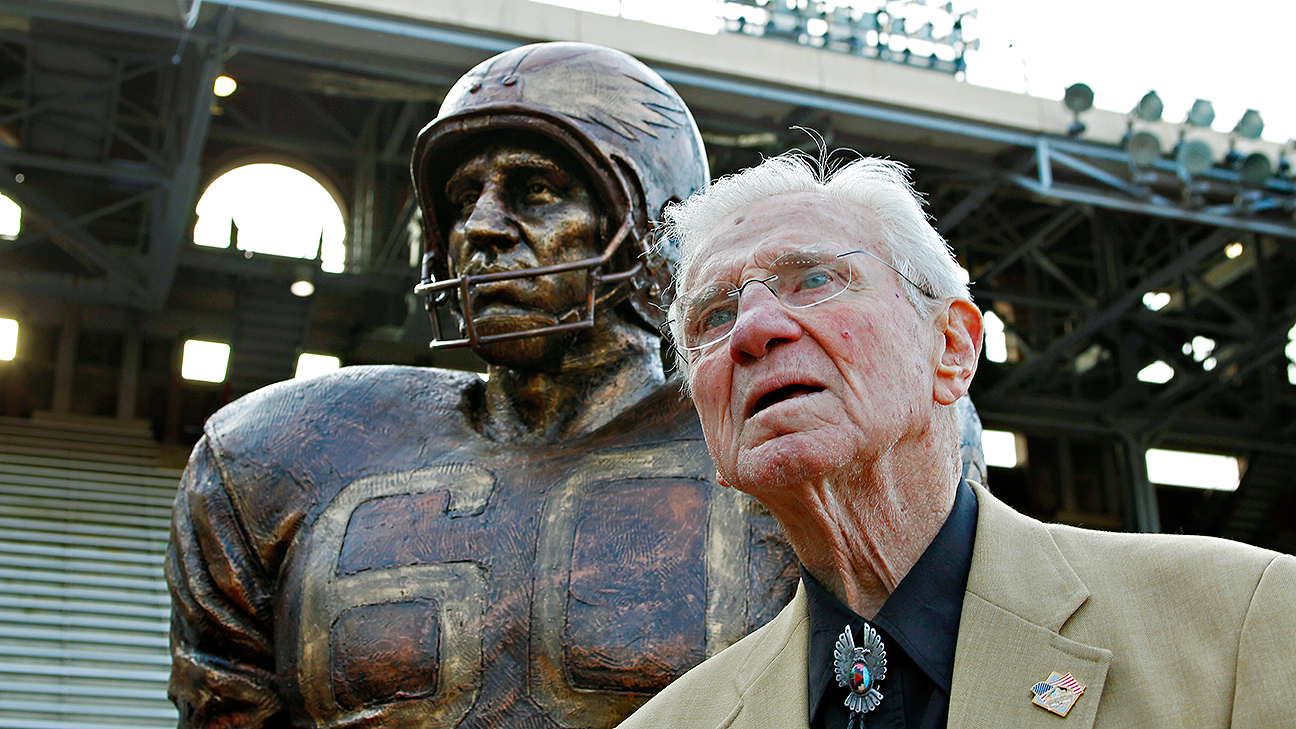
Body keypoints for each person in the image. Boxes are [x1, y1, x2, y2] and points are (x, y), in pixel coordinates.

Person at [165, 42, 803, 728]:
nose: (482, 226)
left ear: (651, 231)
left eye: (536, 190)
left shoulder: (772, 454)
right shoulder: (274, 458)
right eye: (465, 196)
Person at [616, 152, 1296, 729]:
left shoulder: (1242, 622)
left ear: (952, 346)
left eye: (814, 279)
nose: (752, 330)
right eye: (714, 314)